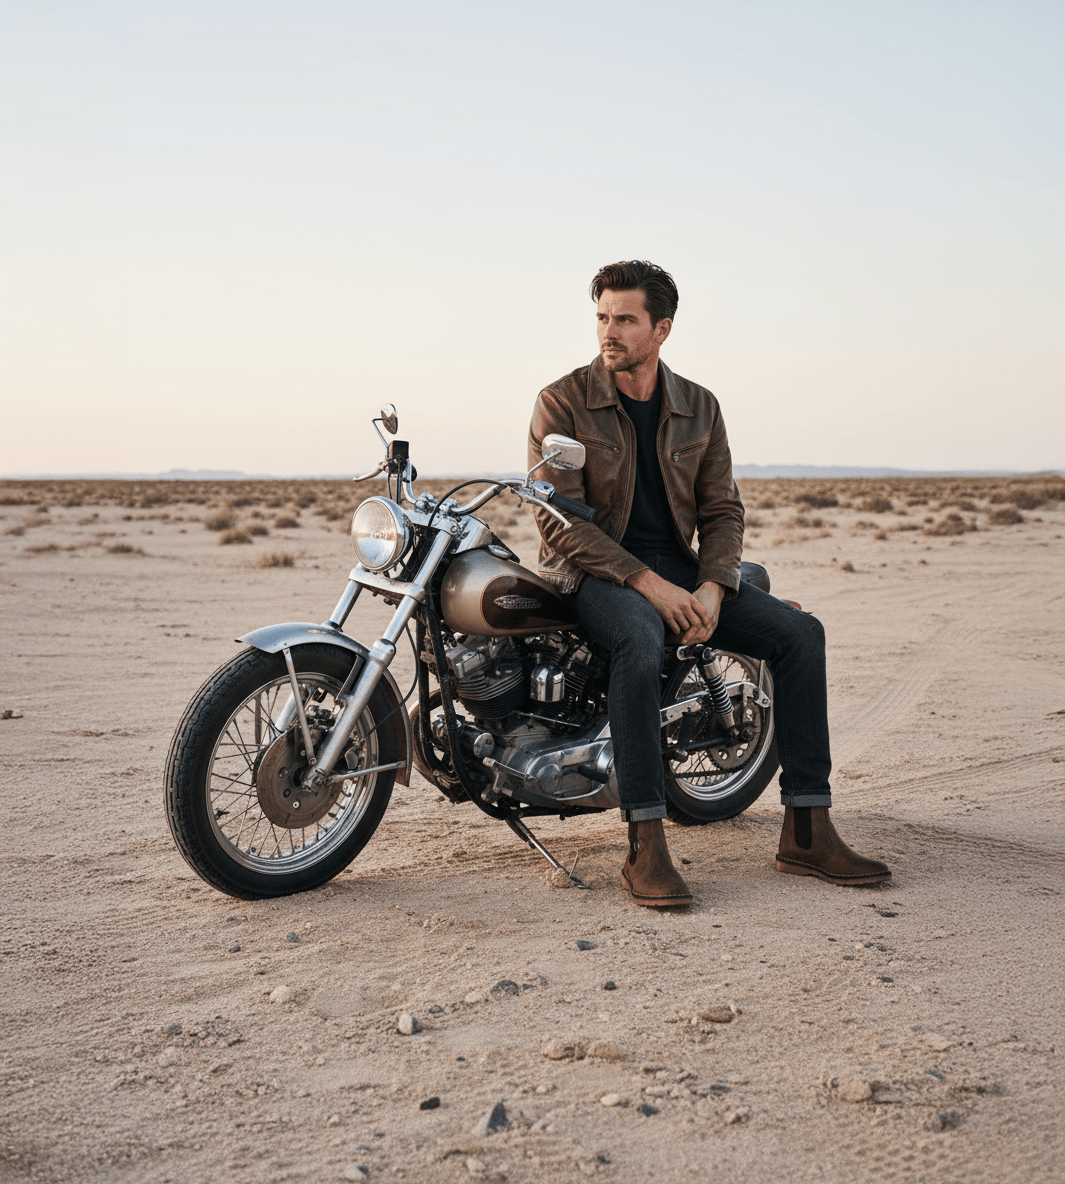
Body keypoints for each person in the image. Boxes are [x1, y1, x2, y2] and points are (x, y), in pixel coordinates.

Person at [527, 260, 890, 908]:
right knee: (638, 640)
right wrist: (649, 585)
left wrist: (714, 589)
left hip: (685, 569)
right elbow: (557, 523)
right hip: (595, 572)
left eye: (625, 320)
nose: (608, 332)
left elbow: (722, 511)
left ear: (660, 328)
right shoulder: (562, 400)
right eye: (602, 318)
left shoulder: (698, 407)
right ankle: (646, 845)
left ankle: (806, 828)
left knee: (800, 635)